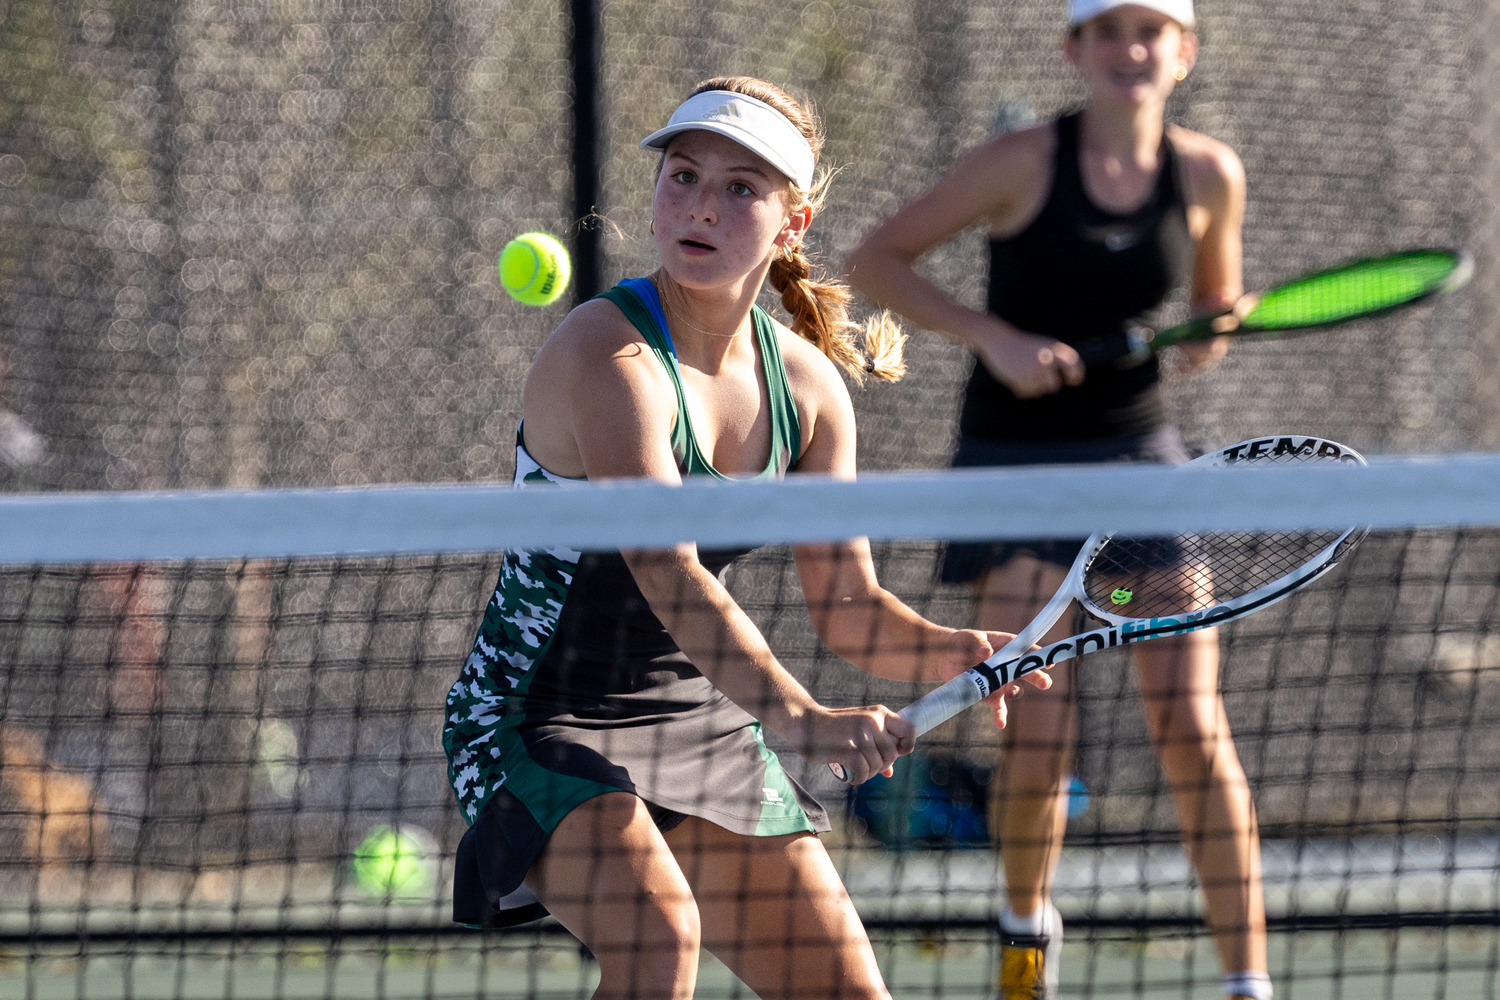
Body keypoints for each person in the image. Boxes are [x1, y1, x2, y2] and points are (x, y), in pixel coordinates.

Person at [442, 76, 1048, 1000]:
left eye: (740, 189)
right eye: (682, 176)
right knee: (657, 944)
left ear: (792, 223)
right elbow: (665, 569)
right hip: (534, 715)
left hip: (696, 714)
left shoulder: (808, 392)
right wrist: (800, 716)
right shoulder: (605, 355)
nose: (700, 206)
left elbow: (847, 606)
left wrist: (946, 649)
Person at [844, 2, 1267, 999]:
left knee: (1194, 727)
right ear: (1075, 51)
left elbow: (1205, 333)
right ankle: (1027, 924)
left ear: (1183, 53)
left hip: (1141, 458)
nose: (1132, 49)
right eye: (1110, 32)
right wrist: (993, 336)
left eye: (1152, 31)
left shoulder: (1210, 174)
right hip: (1015, 464)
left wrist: (1212, 328)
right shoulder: (1021, 162)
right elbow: (875, 260)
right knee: (1035, 735)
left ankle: (1247, 981)